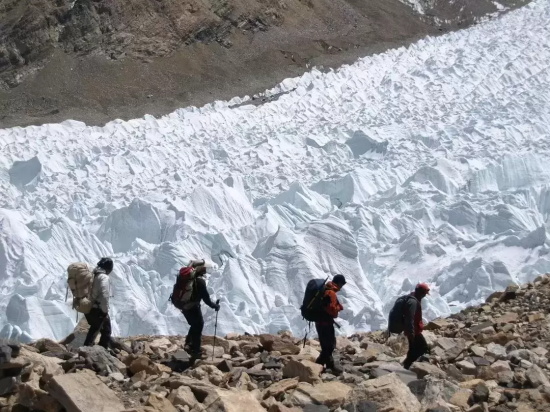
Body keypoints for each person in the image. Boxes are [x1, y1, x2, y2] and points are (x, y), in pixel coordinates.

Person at [182, 265, 220, 359]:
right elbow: (206, 299)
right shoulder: (200, 282)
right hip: (193, 307)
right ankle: (196, 350)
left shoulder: (187, 280)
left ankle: (188, 344)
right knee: (199, 325)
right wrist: (215, 306)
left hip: (183, 306)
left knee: (194, 325)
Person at [315, 274, 346, 375]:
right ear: (339, 283)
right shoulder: (331, 292)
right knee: (330, 345)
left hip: (319, 322)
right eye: (342, 284)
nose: (342, 287)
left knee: (326, 345)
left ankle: (323, 365)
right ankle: (326, 366)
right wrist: (338, 308)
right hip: (326, 323)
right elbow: (332, 310)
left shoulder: (325, 289)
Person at [84, 257, 114, 348]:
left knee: (95, 328)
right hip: (98, 309)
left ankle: (89, 349)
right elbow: (105, 295)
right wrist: (105, 311)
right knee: (106, 331)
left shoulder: (93, 274)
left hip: (88, 307)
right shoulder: (103, 277)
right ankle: (94, 350)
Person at [403, 282, 431, 369]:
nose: (425, 296)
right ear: (421, 293)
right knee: (424, 348)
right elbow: (410, 317)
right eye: (425, 294)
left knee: (413, 349)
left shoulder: (412, 298)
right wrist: (412, 331)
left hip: (411, 329)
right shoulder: (414, 301)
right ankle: (414, 367)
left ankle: (407, 366)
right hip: (413, 330)